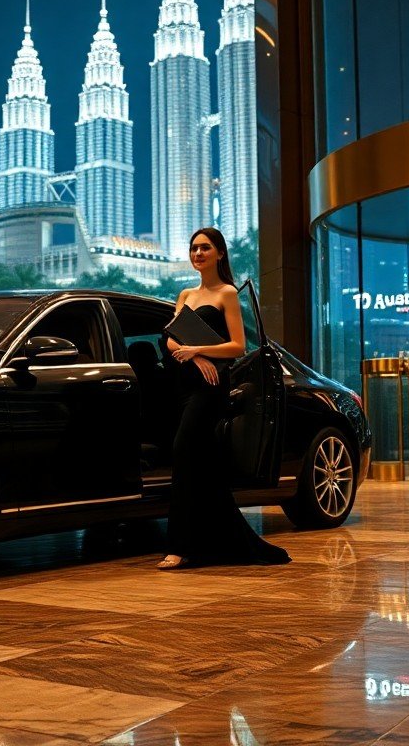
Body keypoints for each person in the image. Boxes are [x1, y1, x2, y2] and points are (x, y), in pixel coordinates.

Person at [156, 227, 291, 569]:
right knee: (203, 465)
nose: (198, 253)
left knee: (183, 451)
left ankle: (179, 547)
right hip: (186, 385)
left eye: (205, 248)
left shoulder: (227, 294)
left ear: (219, 253)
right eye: (194, 248)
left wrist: (199, 349)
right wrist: (194, 356)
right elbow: (169, 340)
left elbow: (238, 346)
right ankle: (213, 542)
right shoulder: (186, 294)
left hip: (211, 388)